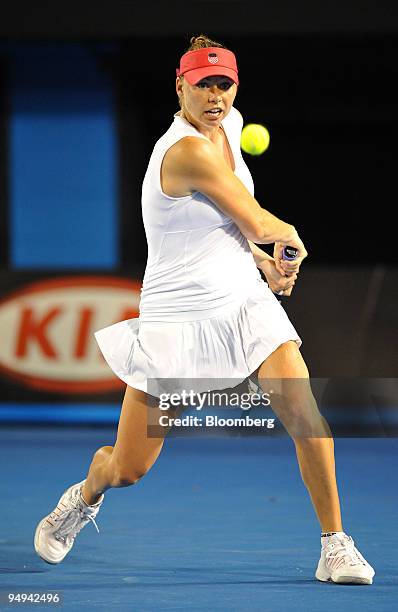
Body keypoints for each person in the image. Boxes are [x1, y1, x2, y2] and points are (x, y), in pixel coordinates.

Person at [34, 35, 375, 585]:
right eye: (203, 85)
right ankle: (85, 493)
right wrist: (285, 239)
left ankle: (336, 545)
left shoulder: (231, 128)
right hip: (178, 323)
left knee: (306, 416)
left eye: (225, 85)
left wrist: (261, 266)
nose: (215, 96)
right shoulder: (184, 151)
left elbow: (229, 226)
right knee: (128, 469)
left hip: (243, 305)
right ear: (180, 86)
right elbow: (258, 219)